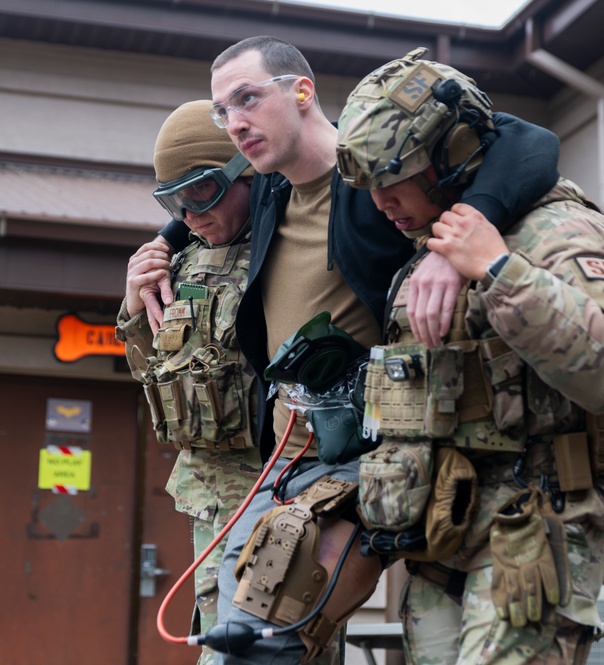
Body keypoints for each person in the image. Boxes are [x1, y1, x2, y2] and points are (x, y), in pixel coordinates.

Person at [154, 36, 561, 665]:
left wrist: (456, 245)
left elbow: (530, 142)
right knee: (240, 641)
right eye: (222, 111)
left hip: (365, 455)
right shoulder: (268, 187)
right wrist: (156, 244)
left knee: (268, 635)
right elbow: (198, 203)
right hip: (282, 456)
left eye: (247, 99)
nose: (235, 122)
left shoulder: (372, 174)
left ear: (302, 91)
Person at [335, 51, 604, 664]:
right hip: (444, 532)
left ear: (451, 152)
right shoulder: (422, 243)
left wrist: (497, 271)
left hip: (535, 525)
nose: (379, 204)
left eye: (392, 178)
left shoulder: (555, 229)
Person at [115, 100, 264, 665]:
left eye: (201, 191)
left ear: (243, 171)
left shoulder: (290, 247)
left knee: (283, 646)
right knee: (221, 648)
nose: (188, 212)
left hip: (283, 490)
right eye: (172, 199)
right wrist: (136, 303)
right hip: (212, 496)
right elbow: (152, 371)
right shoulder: (180, 261)